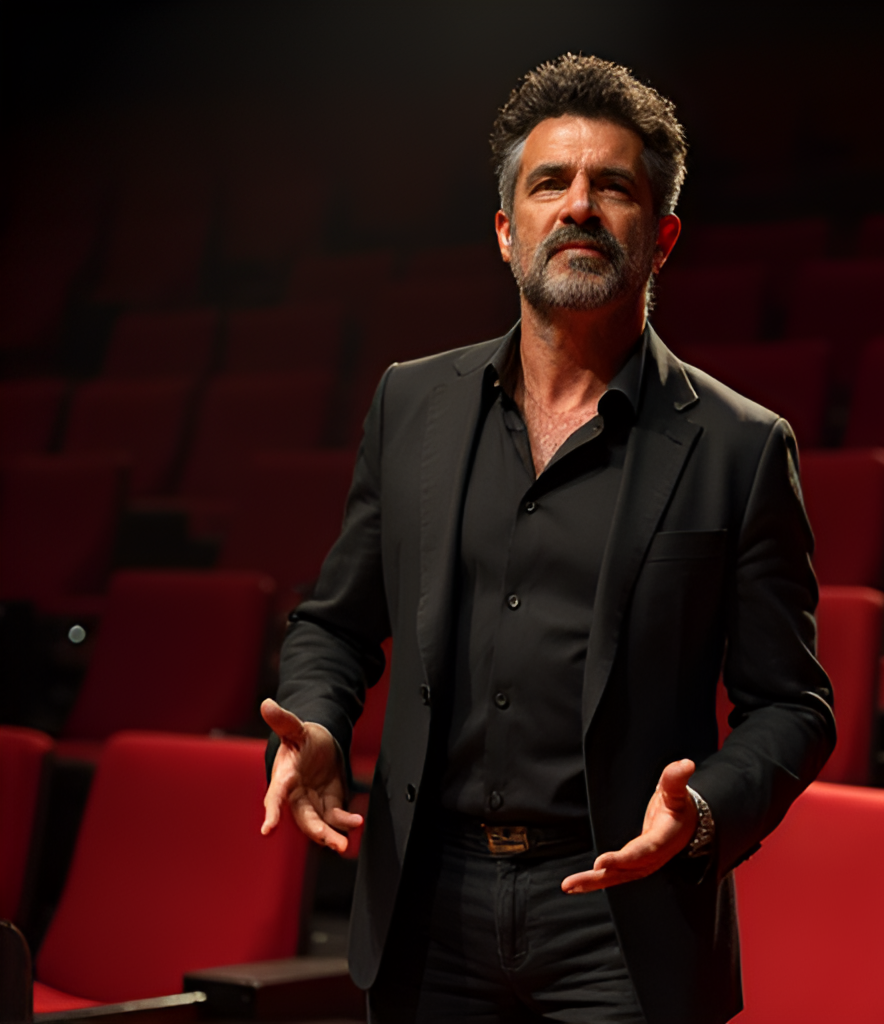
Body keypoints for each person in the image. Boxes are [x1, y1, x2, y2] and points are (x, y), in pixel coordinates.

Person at [260, 54, 835, 1024]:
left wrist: (700, 815)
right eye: (548, 183)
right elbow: (334, 624)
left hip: (622, 919)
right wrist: (317, 725)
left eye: (611, 186)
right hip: (424, 907)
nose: (577, 205)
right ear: (503, 229)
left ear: (662, 235)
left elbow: (793, 704)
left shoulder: (741, 446)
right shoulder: (411, 405)